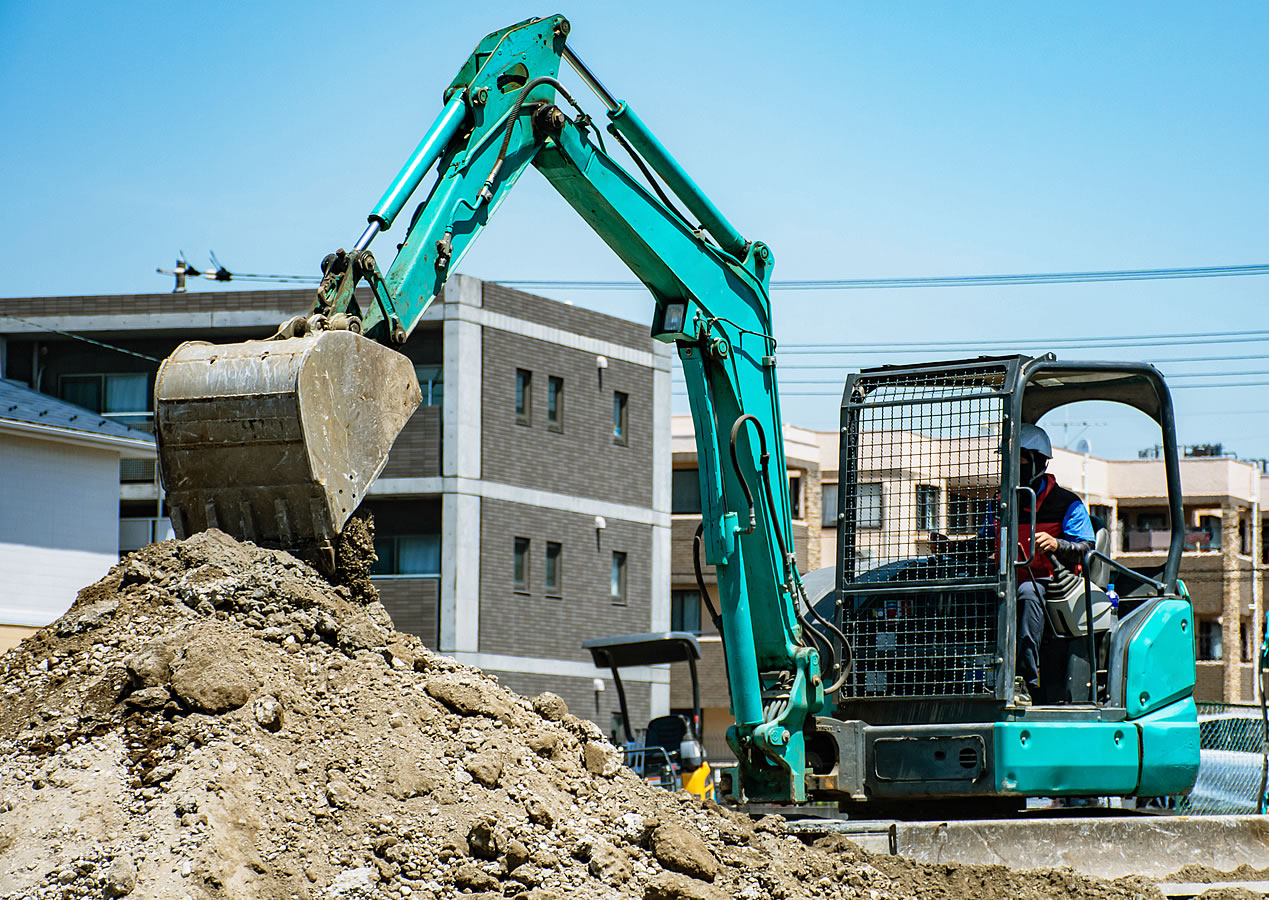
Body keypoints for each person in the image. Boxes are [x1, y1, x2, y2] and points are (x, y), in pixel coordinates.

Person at [1012, 423, 1095, 706]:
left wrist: (1057, 544)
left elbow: (1086, 549)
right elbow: (987, 542)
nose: (1014, 464)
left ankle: (1022, 679)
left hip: (1053, 583)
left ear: (1038, 461)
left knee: (1027, 593)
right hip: (1007, 579)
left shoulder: (1067, 504)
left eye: (1021, 457)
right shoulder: (1002, 502)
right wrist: (955, 547)